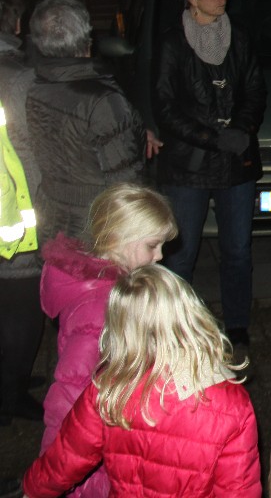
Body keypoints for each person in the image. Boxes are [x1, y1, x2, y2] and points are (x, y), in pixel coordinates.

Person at [23, 263, 259, 497]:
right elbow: (238, 490)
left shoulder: (108, 388)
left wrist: (32, 490)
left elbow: (65, 460)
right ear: (190, 312)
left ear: (118, 326)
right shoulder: (232, 403)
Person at [38, 182, 178, 498]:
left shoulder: (115, 292)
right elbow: (71, 392)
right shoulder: (100, 308)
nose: (159, 256)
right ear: (119, 239)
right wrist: (53, 470)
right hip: (96, 461)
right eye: (152, 245)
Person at [155, 0, 266, 349]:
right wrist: (212, 138)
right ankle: (175, 331)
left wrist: (242, 130)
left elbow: (255, 90)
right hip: (189, 166)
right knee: (180, 255)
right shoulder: (172, 43)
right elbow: (165, 106)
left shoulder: (240, 37)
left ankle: (236, 324)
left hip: (237, 163)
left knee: (237, 250)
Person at [25, 0, 144, 243]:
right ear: (87, 39)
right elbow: (125, 183)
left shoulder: (36, 87)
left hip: (51, 219)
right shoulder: (102, 100)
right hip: (95, 226)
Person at [0, 0, 44, 426]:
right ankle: (10, 396)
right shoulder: (20, 78)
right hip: (11, 215)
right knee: (22, 308)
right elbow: (35, 148)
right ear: (15, 25)